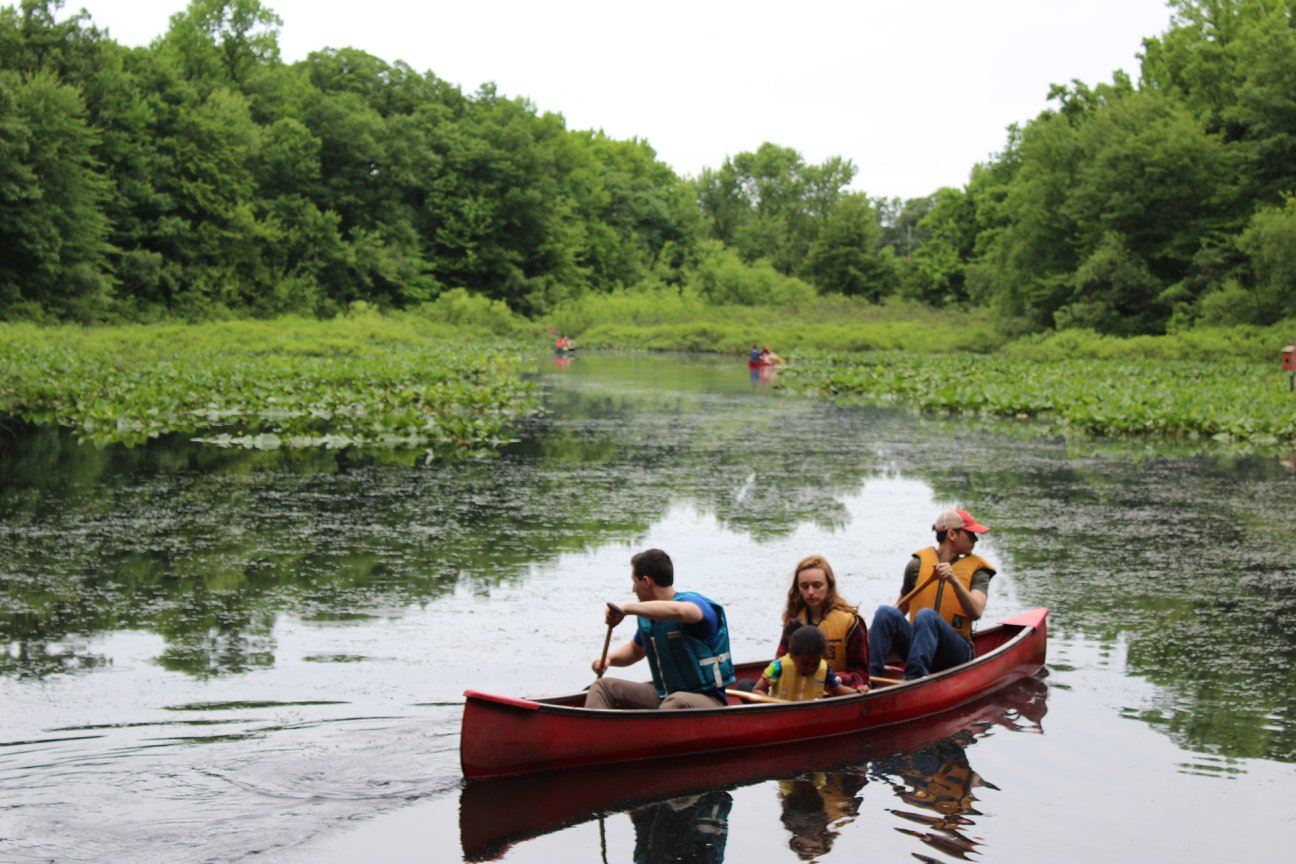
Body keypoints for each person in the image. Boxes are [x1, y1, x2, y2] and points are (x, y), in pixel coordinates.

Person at [586, 548, 735, 709]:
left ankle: (654, 725)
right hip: (664, 696)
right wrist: (609, 659)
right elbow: (635, 651)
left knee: (676, 701)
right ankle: (595, 726)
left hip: (707, 701)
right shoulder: (649, 616)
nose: (633, 589)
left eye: (634, 582)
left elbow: (680, 611)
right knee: (602, 687)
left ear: (646, 581)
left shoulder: (694, 603)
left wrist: (627, 608)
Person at [869, 508, 996, 680]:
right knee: (885, 612)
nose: (975, 539)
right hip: (919, 647)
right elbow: (900, 609)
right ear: (952, 534)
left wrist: (955, 581)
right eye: (971, 534)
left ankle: (913, 680)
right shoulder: (916, 565)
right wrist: (871, 634)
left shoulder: (979, 571)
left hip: (956, 653)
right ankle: (869, 678)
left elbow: (976, 611)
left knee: (926, 616)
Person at [777, 555, 869, 691]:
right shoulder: (794, 622)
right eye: (804, 586)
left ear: (829, 586)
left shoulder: (851, 623)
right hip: (797, 691)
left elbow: (861, 675)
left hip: (835, 692)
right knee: (746, 685)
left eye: (817, 585)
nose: (810, 592)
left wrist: (836, 680)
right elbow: (779, 662)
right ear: (798, 589)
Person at [755, 625, 858, 701]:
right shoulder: (777, 666)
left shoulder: (825, 669)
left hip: (810, 715)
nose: (810, 668)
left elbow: (837, 690)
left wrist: (857, 692)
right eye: (805, 663)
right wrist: (771, 704)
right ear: (792, 656)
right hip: (780, 713)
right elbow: (758, 689)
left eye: (815, 664)